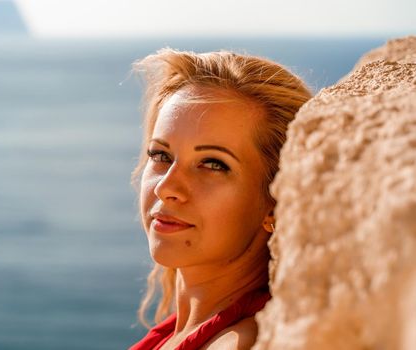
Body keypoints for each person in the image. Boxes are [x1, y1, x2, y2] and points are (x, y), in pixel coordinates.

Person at [129, 48, 312, 350]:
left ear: (276, 200)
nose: (166, 187)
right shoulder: (182, 332)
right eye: (161, 155)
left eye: (213, 164)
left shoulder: (237, 342)